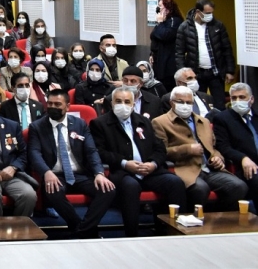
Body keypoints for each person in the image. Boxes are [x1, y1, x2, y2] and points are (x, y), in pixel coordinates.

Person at [90, 86, 187, 237]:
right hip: (123, 172)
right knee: (131, 186)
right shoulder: (99, 123)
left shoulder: (144, 121)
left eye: (127, 102)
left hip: (149, 171)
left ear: (133, 104)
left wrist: (153, 164)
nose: (123, 105)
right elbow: (100, 152)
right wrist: (125, 163)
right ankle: (132, 235)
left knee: (175, 182)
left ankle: (170, 231)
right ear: (112, 103)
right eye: (118, 101)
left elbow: (160, 149)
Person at [27, 89, 116, 238]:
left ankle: (82, 230)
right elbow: (34, 153)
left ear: (67, 106)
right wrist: (46, 172)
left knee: (108, 190)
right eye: (50, 104)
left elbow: (91, 151)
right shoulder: (37, 126)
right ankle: (83, 230)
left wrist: (99, 173)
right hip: (55, 175)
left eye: (57, 104)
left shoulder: (80, 124)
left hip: (80, 174)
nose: (53, 107)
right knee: (53, 191)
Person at [153, 86, 247, 211]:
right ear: (171, 103)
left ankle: (218, 218)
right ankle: (191, 220)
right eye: (180, 102)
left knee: (238, 186)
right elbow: (161, 152)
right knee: (200, 189)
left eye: (189, 102)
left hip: (210, 169)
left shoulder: (204, 121)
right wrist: (187, 149)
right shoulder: (159, 122)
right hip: (184, 169)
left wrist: (217, 157)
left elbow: (214, 147)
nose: (185, 105)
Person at [175, 0, 235, 110]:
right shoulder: (185, 27)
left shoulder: (218, 26)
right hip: (196, 74)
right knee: (199, 104)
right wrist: (183, 73)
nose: (210, 15)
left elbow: (226, 48)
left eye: (211, 12)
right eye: (207, 13)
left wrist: (230, 70)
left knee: (219, 105)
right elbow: (179, 53)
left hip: (216, 72)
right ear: (198, 12)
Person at [213, 83, 258, 209]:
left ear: (251, 99)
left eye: (242, 97)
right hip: (244, 166)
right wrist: (243, 158)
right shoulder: (222, 118)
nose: (238, 101)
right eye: (234, 98)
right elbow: (223, 147)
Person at [149, 0, 182, 90]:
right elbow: (154, 37)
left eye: (160, 6)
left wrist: (160, 23)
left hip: (168, 64)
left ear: (168, 8)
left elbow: (165, 35)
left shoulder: (174, 21)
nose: (158, 9)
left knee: (167, 87)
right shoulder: (164, 22)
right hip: (158, 61)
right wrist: (152, 53)